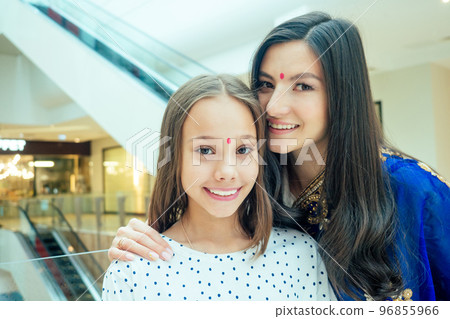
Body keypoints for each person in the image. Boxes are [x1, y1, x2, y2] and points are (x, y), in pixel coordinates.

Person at [108, 12, 450, 301]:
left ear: (342, 94)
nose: (273, 106)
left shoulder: (412, 190)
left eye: (302, 86)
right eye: (266, 84)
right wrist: (140, 240)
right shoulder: (259, 173)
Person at [102, 74, 335, 301]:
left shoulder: (302, 254)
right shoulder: (132, 270)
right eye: (205, 150)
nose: (226, 172)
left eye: (243, 150)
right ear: (174, 158)